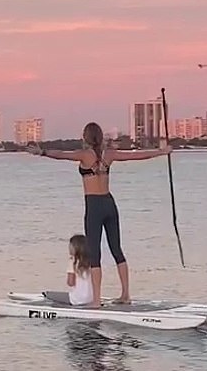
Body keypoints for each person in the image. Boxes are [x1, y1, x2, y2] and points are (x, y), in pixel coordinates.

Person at [26, 122, 171, 307]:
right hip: (109, 204)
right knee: (116, 250)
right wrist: (161, 152)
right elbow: (135, 156)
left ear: (86, 137)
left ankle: (96, 301)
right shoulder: (109, 154)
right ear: (100, 137)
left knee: (95, 254)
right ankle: (125, 294)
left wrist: (42, 152)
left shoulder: (85, 155)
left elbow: (62, 155)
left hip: (94, 206)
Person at [43, 234, 94, 307]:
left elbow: (70, 283)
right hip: (90, 298)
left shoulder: (73, 262)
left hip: (77, 299)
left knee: (47, 294)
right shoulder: (91, 262)